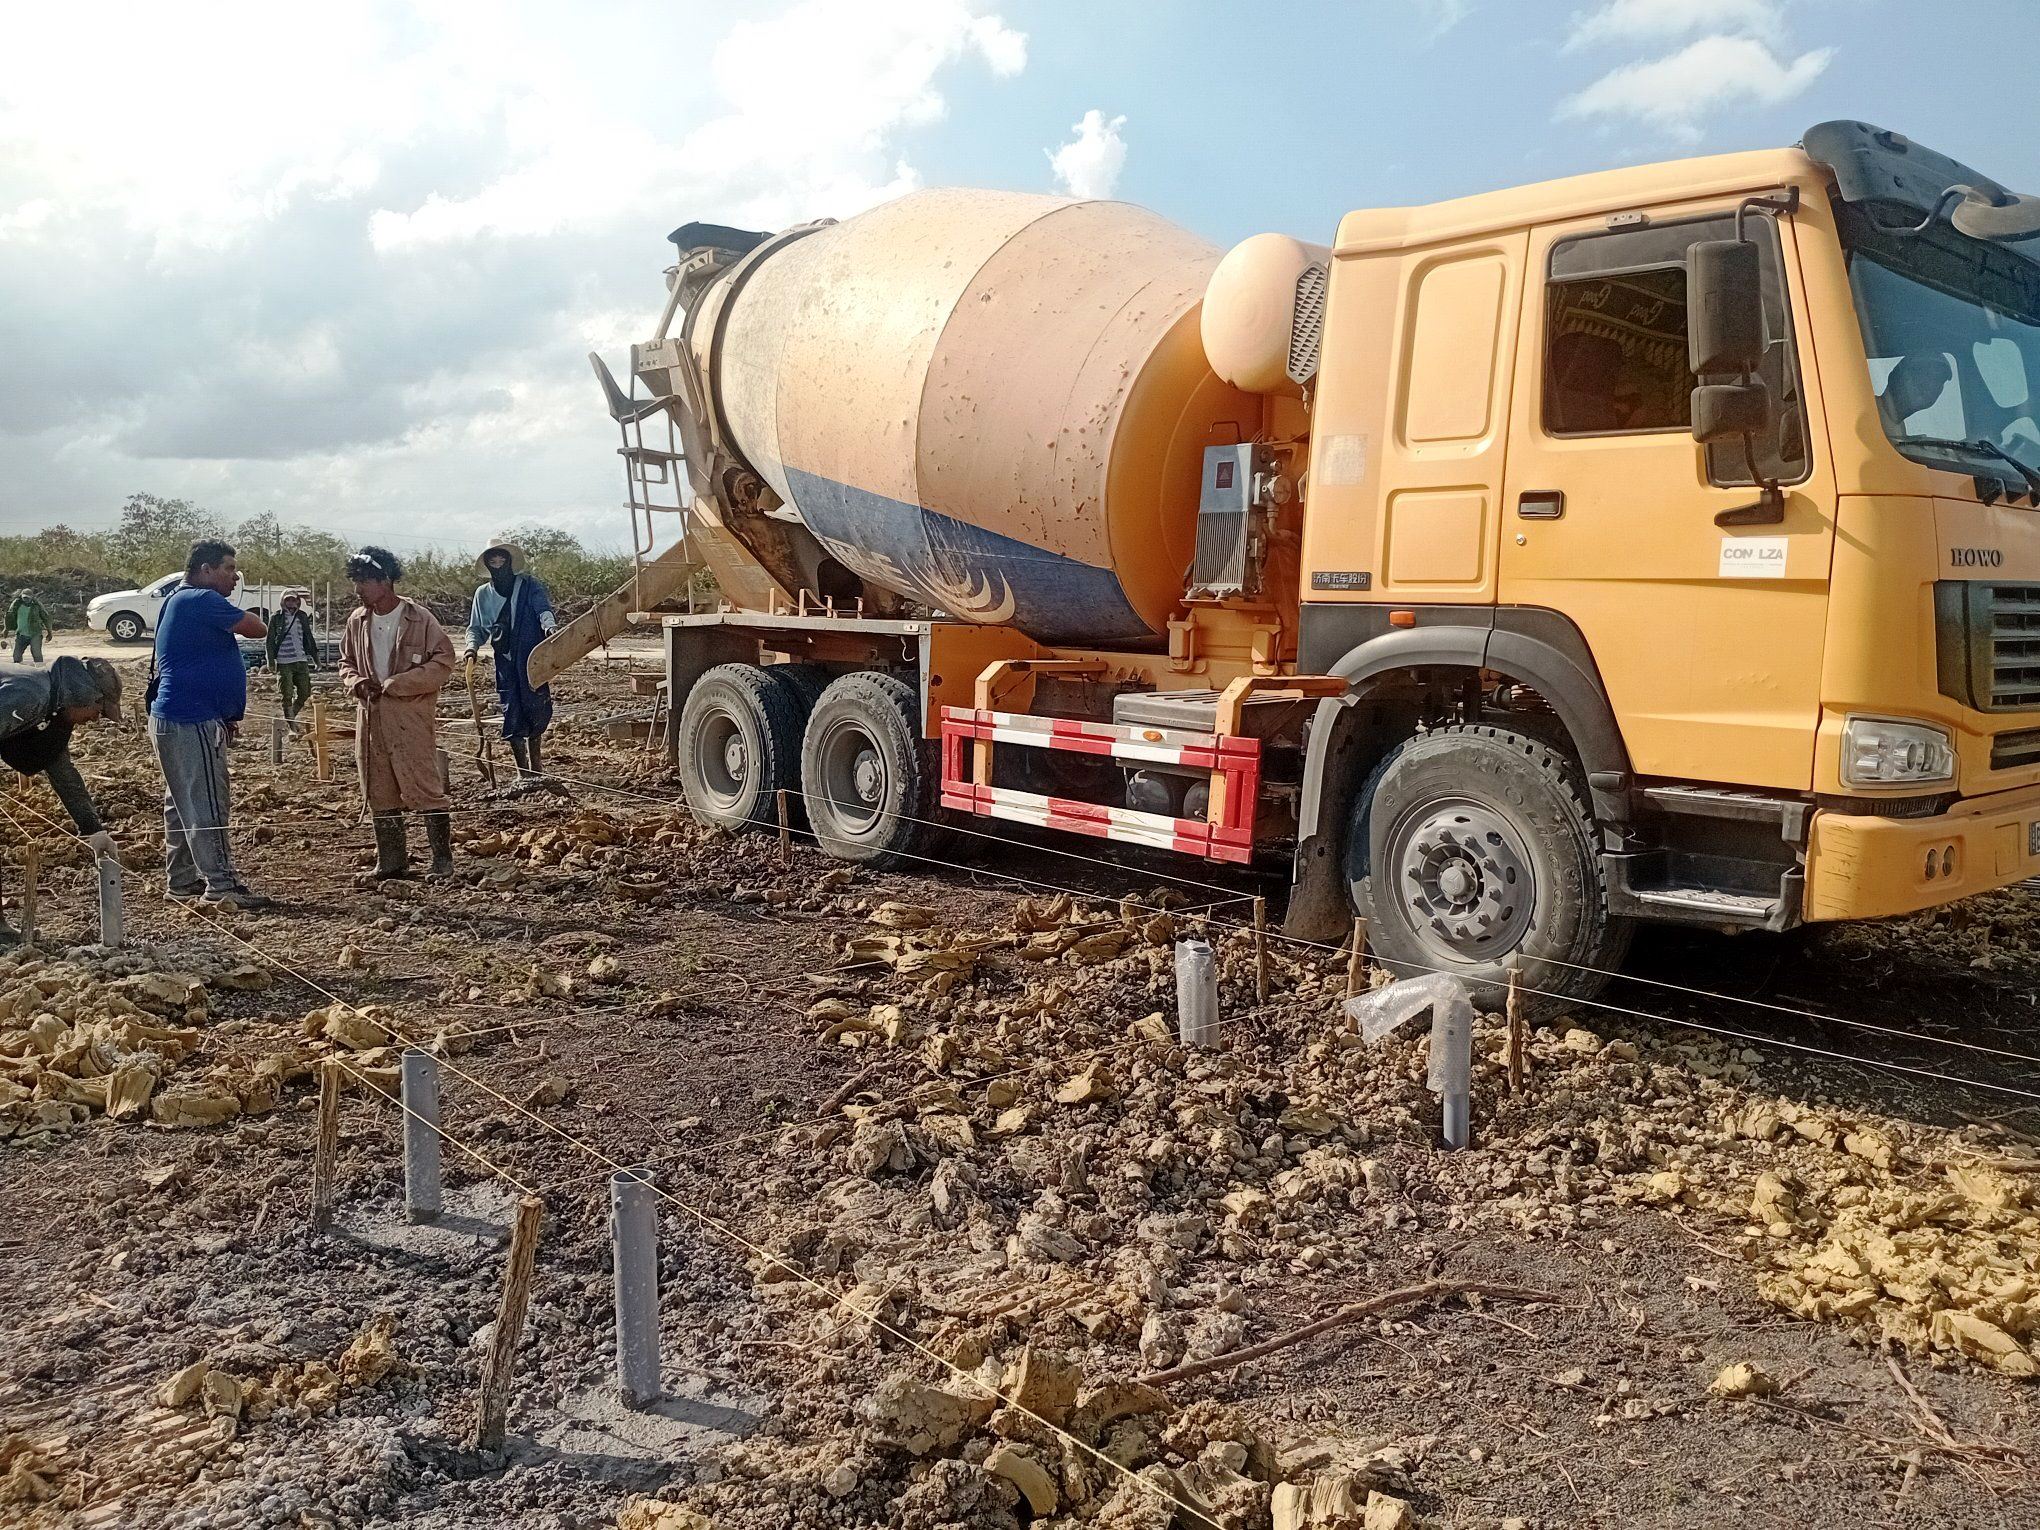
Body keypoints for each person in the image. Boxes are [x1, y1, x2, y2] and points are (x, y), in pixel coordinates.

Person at [147, 540, 272, 909]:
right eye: (229, 569)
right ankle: (221, 884)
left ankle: (182, 880)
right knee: (207, 803)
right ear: (205, 569)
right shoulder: (201, 601)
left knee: (181, 802)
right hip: (191, 717)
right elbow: (257, 627)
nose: (235, 577)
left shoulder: (177, 600)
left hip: (177, 716)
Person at [337, 546, 456, 878]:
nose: (358, 590)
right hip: (371, 715)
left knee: (425, 783)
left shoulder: (419, 619)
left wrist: (399, 684)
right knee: (378, 786)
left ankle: (442, 861)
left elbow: (443, 661)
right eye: (355, 582)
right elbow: (345, 662)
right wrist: (358, 683)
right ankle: (391, 861)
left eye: (364, 582)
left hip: (409, 716)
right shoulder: (357, 621)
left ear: (386, 580)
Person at [0, 656, 124, 942]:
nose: (95, 719)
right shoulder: (30, 696)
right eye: (98, 710)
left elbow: (61, 769)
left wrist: (93, 829)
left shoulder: (52, 705)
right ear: (84, 696)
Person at [462, 541, 556, 778]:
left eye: (501, 560)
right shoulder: (483, 595)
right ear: (488, 565)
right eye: (492, 562)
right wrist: (471, 648)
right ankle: (522, 772)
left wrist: (549, 627)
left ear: (509, 562)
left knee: (535, 705)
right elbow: (476, 627)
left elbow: (542, 610)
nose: (497, 565)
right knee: (511, 708)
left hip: (531, 657)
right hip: (504, 659)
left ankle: (537, 768)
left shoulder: (528, 586)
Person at [265, 591, 319, 722]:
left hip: (301, 659)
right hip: (284, 661)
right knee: (286, 694)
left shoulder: (302, 616)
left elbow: (308, 638)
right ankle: (291, 725)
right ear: (283, 601)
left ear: (298, 602)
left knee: (305, 692)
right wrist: (270, 660)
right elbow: (270, 640)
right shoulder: (276, 617)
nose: (291, 603)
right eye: (288, 600)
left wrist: (316, 659)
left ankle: (290, 718)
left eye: (293, 600)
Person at [7, 589, 53, 664]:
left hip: (35, 634)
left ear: (32, 597)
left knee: (37, 654)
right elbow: (9, 616)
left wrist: (49, 631)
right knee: (16, 656)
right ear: (21, 597)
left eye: (27, 598)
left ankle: (39, 671)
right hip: (21, 634)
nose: (26, 600)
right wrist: (6, 629)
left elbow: (46, 617)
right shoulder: (16, 605)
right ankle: (19, 672)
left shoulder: (37, 606)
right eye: (24, 598)